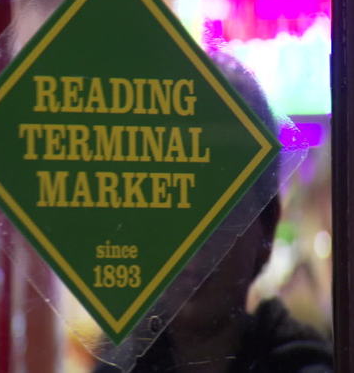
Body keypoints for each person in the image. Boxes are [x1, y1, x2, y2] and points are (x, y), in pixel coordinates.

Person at [94, 52, 333, 373]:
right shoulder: (117, 364)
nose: (193, 241)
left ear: (267, 225)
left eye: (221, 211)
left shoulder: (307, 365)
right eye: (173, 203)